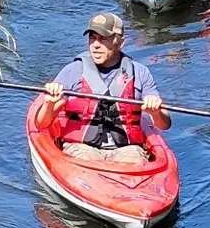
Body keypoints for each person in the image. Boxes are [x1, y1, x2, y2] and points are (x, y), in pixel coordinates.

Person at [44, 12, 171, 166]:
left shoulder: (140, 73)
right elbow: (42, 123)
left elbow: (164, 124)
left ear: (120, 42)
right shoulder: (73, 70)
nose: (95, 45)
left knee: (135, 161)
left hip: (126, 150)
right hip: (83, 148)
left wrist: (155, 111)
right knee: (86, 159)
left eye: (103, 38)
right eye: (92, 38)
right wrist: (49, 104)